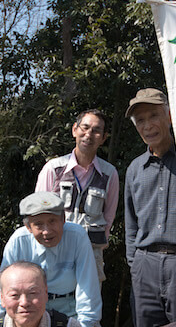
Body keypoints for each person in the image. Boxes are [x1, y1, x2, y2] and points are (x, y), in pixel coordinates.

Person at [0, 191, 102, 327]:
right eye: (38, 224)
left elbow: (88, 287)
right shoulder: (18, 241)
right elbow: (3, 289)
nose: (47, 231)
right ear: (28, 227)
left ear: (63, 219)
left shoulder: (77, 236)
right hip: (29, 310)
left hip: (69, 309)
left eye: (52, 221)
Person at [123, 88, 176, 327]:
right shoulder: (135, 169)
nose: (147, 125)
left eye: (153, 115)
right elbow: (130, 224)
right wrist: (136, 264)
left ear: (170, 116)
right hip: (145, 265)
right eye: (140, 120)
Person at [35, 109, 119, 283]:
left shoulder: (110, 174)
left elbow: (108, 218)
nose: (89, 134)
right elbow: (37, 214)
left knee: (89, 308)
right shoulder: (53, 169)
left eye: (96, 131)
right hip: (54, 253)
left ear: (103, 138)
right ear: (75, 130)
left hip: (91, 256)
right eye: (85, 127)